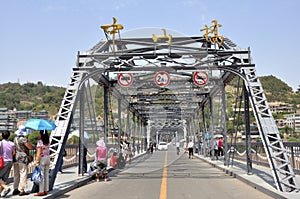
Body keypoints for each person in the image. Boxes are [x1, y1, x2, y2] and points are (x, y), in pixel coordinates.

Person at [13, 127, 33, 196]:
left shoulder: (15, 139)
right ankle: (22, 190)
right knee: (23, 173)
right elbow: (30, 147)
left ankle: (15, 188)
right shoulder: (23, 139)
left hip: (16, 157)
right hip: (22, 158)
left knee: (16, 174)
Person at [34, 130, 50, 196]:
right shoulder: (48, 141)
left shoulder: (40, 142)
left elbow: (38, 153)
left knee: (41, 175)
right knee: (46, 175)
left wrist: (37, 162)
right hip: (48, 158)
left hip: (42, 159)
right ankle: (46, 190)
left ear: (41, 135)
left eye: (39, 134)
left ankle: (41, 191)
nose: (38, 135)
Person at [0, 130, 15, 197]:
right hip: (10, 161)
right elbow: (14, 153)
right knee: (4, 178)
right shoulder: (12, 144)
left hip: (3, 162)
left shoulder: (1, 143)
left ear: (2, 136)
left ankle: (6, 188)